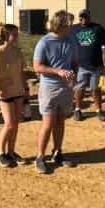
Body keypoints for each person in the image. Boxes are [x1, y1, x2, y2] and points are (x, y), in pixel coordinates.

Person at [33, 10, 77, 174]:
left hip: (66, 87)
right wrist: (57, 71)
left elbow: (73, 62)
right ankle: (40, 157)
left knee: (60, 121)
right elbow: (37, 67)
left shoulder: (70, 40)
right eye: (69, 24)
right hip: (49, 87)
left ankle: (57, 152)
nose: (71, 27)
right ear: (60, 25)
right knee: (48, 123)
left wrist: (74, 75)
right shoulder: (44, 43)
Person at [0, 24, 29, 168]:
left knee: (15, 125)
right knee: (9, 124)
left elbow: (22, 72)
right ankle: (1, 153)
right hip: (5, 94)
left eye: (17, 34)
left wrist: (26, 89)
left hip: (18, 92)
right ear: (6, 36)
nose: (16, 37)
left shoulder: (18, 52)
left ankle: (11, 152)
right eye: (14, 34)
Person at [71, 9, 105, 122]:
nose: (83, 19)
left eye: (85, 17)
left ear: (89, 17)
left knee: (95, 88)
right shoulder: (73, 29)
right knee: (80, 88)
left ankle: (99, 111)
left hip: (96, 66)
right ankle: (77, 110)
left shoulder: (97, 28)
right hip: (80, 67)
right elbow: (67, 44)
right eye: (81, 17)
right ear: (79, 18)